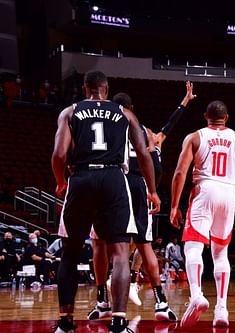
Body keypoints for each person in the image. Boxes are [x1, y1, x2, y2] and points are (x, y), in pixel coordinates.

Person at [51, 70, 160, 333]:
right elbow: (144, 156)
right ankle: (119, 322)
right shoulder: (125, 113)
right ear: (106, 89)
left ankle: (65, 322)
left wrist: (61, 182)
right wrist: (152, 190)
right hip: (114, 177)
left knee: (71, 252)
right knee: (120, 253)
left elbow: (59, 154)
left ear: (85, 89)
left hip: (82, 177)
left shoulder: (70, 112)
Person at [88, 81, 194, 321]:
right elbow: (169, 126)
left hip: (111, 183)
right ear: (132, 108)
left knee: (101, 243)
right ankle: (160, 303)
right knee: (144, 244)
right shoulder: (146, 132)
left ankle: (103, 300)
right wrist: (184, 102)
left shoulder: (108, 126)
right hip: (140, 187)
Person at [170, 100, 235, 328]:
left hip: (204, 190)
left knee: (193, 247)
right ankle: (221, 309)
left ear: (205, 116)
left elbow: (181, 171)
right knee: (220, 253)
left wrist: (174, 206)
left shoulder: (194, 137)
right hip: (228, 193)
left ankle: (196, 295)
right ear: (227, 118)